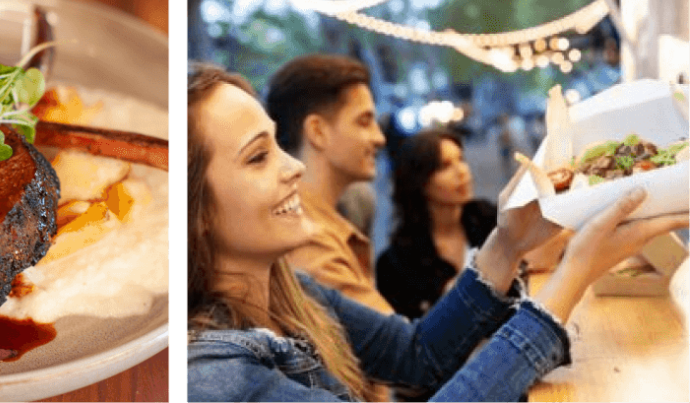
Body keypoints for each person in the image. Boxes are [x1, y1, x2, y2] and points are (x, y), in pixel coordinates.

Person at [185, 63, 690, 403]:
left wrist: (509, 242)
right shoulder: (210, 373)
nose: (293, 166)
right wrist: (571, 276)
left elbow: (417, 355)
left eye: (278, 146)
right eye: (257, 156)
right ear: (193, 210)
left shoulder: (290, 286)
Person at [265, 54, 394, 316]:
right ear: (317, 131)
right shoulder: (306, 239)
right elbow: (407, 352)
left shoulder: (317, 220)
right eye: (364, 121)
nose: (379, 138)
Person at [376, 130, 496, 320]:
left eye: (461, 159)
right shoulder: (396, 264)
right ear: (420, 181)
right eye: (445, 166)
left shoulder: (489, 219)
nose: (462, 171)